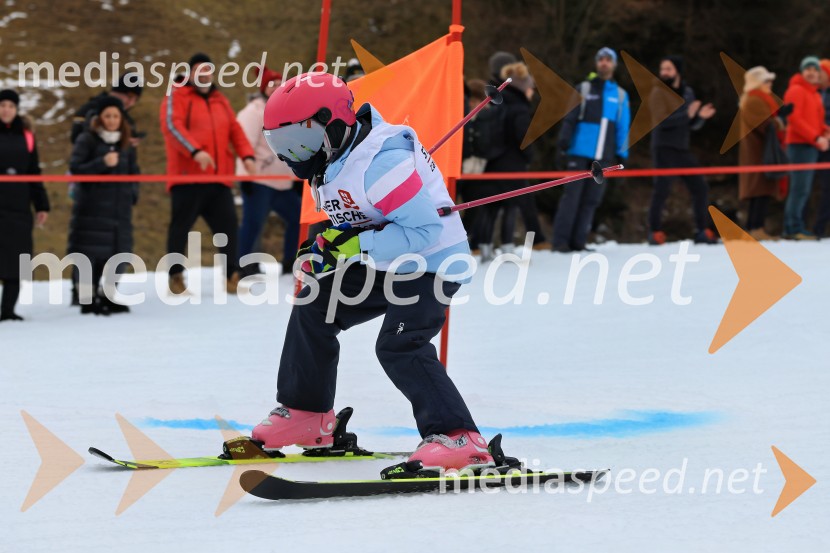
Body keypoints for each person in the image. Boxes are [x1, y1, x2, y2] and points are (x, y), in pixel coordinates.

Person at [250, 72, 493, 472]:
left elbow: (424, 229)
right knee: (315, 304)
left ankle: (458, 437)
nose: (293, 155)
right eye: (282, 144)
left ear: (332, 124)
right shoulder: (329, 159)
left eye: (299, 141)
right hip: (383, 260)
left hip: (431, 263)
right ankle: (308, 414)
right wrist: (327, 244)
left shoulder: (382, 164)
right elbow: (358, 217)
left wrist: (354, 245)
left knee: (399, 344)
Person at [160, 53, 256, 294]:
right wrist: (195, 151)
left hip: (218, 178)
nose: (205, 75)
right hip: (187, 178)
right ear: (190, 73)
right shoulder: (177, 95)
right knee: (180, 228)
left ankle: (232, 276)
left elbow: (235, 130)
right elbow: (172, 126)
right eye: (199, 70)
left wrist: (247, 156)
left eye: (208, 70)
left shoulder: (220, 100)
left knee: (229, 227)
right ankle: (175, 277)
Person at [469, 52, 548, 260]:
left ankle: (484, 247)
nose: (532, 92)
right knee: (511, 205)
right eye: (530, 88)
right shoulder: (519, 107)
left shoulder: (496, 99)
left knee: (490, 206)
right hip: (512, 163)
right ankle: (507, 248)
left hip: (493, 160)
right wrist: (529, 155)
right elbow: (523, 137)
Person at [553, 47, 630, 252]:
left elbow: (623, 127)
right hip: (579, 152)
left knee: (592, 200)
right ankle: (560, 242)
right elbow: (570, 117)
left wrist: (622, 154)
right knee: (571, 197)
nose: (604, 62)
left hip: (604, 155)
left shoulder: (620, 95)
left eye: (608, 59)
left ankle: (578, 242)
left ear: (614, 64)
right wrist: (563, 143)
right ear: (596, 63)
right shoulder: (584, 88)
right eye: (601, 59)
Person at [68, 98, 139, 315]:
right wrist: (102, 163)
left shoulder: (126, 144)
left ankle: (108, 295)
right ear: (99, 118)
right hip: (92, 209)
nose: (112, 120)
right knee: (90, 254)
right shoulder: (87, 139)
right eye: (107, 116)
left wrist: (132, 194)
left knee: (119, 253)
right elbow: (75, 168)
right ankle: (87, 298)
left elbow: (134, 172)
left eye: (116, 116)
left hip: (119, 210)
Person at [236, 66, 301, 277]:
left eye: (279, 84)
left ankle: (290, 260)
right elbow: (243, 144)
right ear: (263, 88)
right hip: (259, 180)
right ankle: (244, 265)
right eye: (271, 84)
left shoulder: (288, 111)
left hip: (282, 181)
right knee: (253, 223)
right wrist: (245, 177)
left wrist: (296, 178)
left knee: (298, 217)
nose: (275, 88)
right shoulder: (253, 112)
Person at [647, 55, 717, 245]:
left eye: (668, 69)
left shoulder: (687, 92)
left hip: (682, 148)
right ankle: (654, 232)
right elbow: (662, 121)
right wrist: (688, 114)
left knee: (700, 187)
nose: (664, 73)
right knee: (662, 190)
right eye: (662, 69)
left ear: (677, 71)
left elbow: (691, 124)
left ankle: (701, 231)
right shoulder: (657, 92)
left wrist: (700, 117)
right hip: (663, 147)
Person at [0, 89, 49, 322]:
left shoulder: (27, 136)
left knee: (16, 260)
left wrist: (42, 205)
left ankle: (8, 311)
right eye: (2, 105)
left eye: (11, 105)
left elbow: (34, 172)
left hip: (19, 207)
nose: (6, 109)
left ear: (17, 109)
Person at [782, 56, 829, 240]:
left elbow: (817, 122)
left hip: (811, 145)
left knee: (804, 189)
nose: (812, 72)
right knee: (799, 188)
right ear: (802, 71)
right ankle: (793, 228)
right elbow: (794, 118)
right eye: (808, 69)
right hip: (799, 145)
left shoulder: (814, 94)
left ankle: (795, 226)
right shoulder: (796, 90)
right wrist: (816, 137)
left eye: (815, 69)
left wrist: (825, 132)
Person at [738, 67, 787, 240]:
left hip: (759, 151)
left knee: (760, 192)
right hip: (758, 153)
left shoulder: (756, 99)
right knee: (760, 191)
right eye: (766, 81)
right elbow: (765, 125)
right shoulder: (754, 100)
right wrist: (780, 121)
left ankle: (754, 227)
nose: (770, 84)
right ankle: (756, 228)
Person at [813, 59, 830, 239]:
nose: (817, 75)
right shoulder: (813, 92)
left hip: (826, 144)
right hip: (814, 143)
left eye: (821, 71)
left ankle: (819, 227)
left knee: (827, 188)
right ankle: (812, 228)